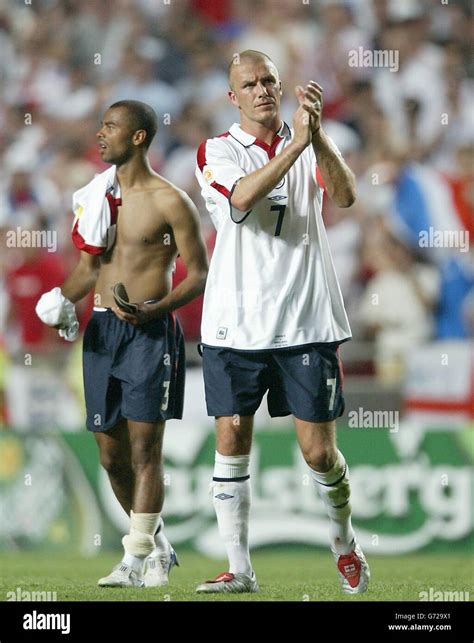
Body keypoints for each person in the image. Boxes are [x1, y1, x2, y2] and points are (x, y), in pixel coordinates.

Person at [194, 50, 369, 594]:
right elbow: (243, 202)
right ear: (233, 97)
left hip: (306, 320)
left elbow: (344, 195)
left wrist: (315, 137)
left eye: (269, 80)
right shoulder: (217, 151)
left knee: (319, 451)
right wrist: (297, 141)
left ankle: (345, 543)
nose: (263, 90)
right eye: (249, 84)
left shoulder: (313, 138)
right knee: (231, 437)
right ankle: (239, 569)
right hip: (235, 321)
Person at [37, 100, 209, 588]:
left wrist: (158, 309)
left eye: (110, 126)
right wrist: (56, 301)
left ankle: (133, 559)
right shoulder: (98, 196)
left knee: (143, 452)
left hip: (150, 333)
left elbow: (199, 273)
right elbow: (89, 269)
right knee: (111, 456)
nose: (100, 134)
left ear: (138, 137)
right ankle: (158, 543)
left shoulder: (171, 200)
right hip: (103, 332)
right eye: (100, 125)